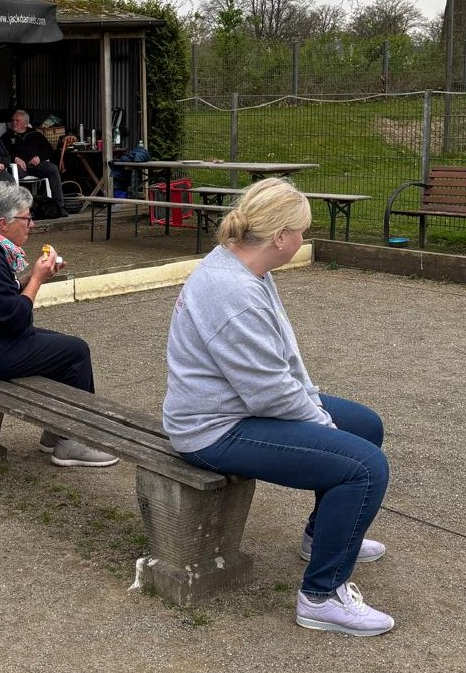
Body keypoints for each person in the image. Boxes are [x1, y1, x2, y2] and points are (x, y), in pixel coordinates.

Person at [162, 178, 393, 637]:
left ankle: (322, 536)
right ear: (281, 237)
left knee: (365, 426)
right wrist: (322, 423)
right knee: (364, 468)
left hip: (240, 405)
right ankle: (321, 597)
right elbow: (269, 393)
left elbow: (282, 363)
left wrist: (315, 402)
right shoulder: (234, 292)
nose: (304, 238)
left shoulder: (243, 265)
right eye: (302, 231)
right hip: (212, 429)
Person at [0, 182, 118, 468]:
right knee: (76, 351)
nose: (32, 224)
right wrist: (37, 280)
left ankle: (56, 432)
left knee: (60, 345)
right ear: (3, 223)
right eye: (27, 218)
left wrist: (32, 275)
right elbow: (15, 320)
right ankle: (74, 440)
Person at [1, 109, 68, 217]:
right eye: (13, 120)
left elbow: (49, 150)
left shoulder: (36, 135)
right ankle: (18, 209)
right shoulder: (6, 136)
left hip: (36, 166)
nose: (14, 123)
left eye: (17, 121)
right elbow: (2, 152)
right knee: (11, 175)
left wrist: (39, 158)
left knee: (52, 168)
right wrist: (15, 158)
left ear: (26, 123)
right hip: (17, 168)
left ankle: (60, 206)